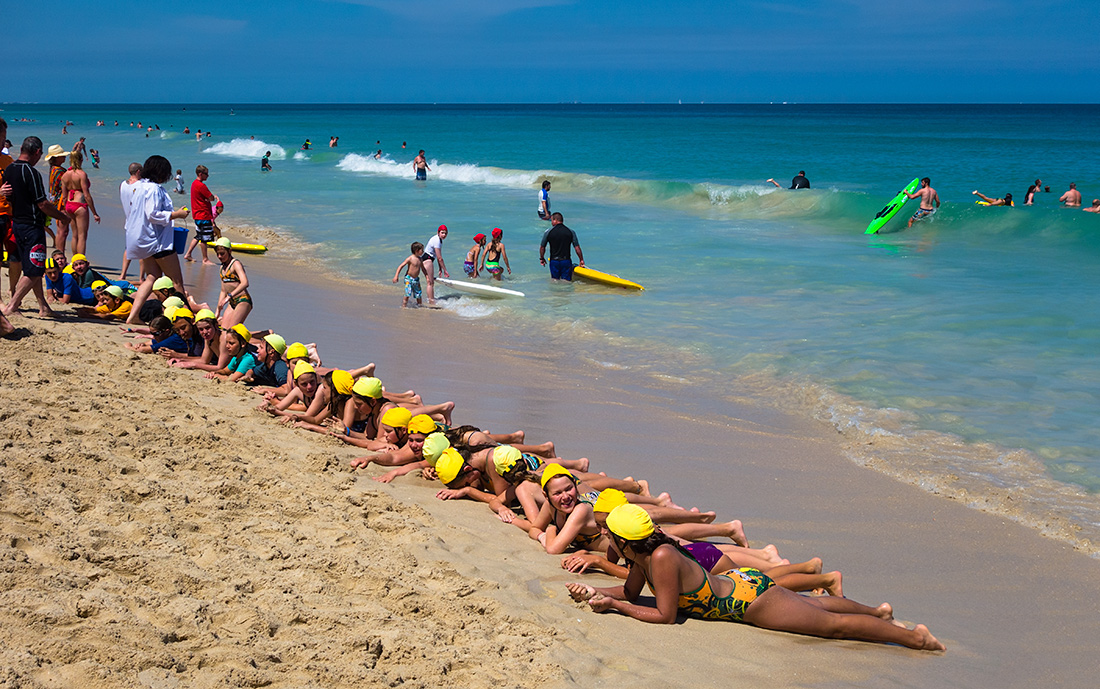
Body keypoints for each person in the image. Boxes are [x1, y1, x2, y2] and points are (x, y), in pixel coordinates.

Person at [566, 504, 945, 651]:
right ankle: (877, 613)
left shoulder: (661, 556)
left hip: (747, 601)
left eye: (608, 532)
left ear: (620, 538)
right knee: (814, 604)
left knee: (832, 627)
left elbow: (664, 614)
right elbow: (633, 593)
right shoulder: (642, 553)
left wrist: (614, 606)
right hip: (742, 584)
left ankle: (914, 638)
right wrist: (597, 592)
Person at [1, 136, 71, 323]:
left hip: (17, 223)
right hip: (31, 226)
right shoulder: (31, 173)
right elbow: (43, 204)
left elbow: (8, 197)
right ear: (38, 152)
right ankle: (12, 306)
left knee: (33, 266)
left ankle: (43, 307)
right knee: (34, 271)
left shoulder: (9, 169)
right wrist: (63, 217)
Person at [123, 155, 191, 325]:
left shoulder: (138, 186)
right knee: (176, 283)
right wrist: (177, 214)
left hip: (143, 239)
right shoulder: (154, 189)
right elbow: (153, 214)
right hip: (158, 241)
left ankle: (133, 316)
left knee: (152, 277)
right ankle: (186, 320)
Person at [59, 150, 100, 257]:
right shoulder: (82, 174)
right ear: (81, 160)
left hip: (69, 204)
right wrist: (94, 213)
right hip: (79, 205)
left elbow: (63, 196)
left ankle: (74, 259)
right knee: (82, 236)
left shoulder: (65, 175)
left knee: (74, 235)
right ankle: (80, 259)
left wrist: (66, 209)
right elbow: (86, 195)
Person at [214, 237, 252, 328]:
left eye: (222, 254)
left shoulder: (235, 264)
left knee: (232, 330)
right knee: (224, 332)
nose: (219, 256)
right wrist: (217, 311)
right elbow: (223, 290)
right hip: (232, 302)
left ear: (230, 251)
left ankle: (262, 336)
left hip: (243, 300)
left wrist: (229, 296)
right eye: (217, 254)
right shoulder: (222, 268)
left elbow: (245, 283)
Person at [184, 165, 218, 265]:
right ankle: (205, 259)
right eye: (206, 174)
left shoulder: (194, 184)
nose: (208, 176)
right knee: (204, 238)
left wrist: (207, 199)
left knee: (199, 235)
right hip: (203, 214)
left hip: (197, 214)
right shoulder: (201, 185)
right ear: (200, 174)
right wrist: (210, 198)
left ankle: (188, 254)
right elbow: (211, 197)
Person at [539, 212, 584, 280]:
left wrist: (542, 258)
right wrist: (581, 260)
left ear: (555, 220)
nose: (551, 223)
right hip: (566, 261)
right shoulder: (571, 232)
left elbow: (542, 247)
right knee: (566, 281)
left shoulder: (548, 232)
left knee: (555, 280)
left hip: (554, 261)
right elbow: (577, 248)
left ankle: (555, 290)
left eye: (552, 220)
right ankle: (566, 290)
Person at [44, 144, 69, 252]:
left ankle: (59, 253)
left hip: (54, 201)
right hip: (60, 202)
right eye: (62, 155)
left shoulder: (53, 169)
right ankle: (60, 253)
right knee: (63, 231)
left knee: (60, 230)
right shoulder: (60, 171)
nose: (64, 157)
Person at [421, 225, 448, 305]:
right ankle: (431, 301)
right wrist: (445, 270)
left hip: (426, 259)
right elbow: (440, 258)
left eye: (445, 233)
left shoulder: (438, 240)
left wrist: (440, 268)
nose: (444, 235)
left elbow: (437, 256)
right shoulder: (437, 241)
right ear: (438, 232)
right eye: (442, 233)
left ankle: (430, 300)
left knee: (429, 281)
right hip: (427, 260)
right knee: (430, 283)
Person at [392, 241, 424, 308]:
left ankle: (420, 306)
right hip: (408, 278)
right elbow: (401, 266)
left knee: (418, 294)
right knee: (407, 293)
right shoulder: (410, 258)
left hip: (416, 279)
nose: (423, 251)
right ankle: (404, 306)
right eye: (422, 250)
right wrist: (396, 276)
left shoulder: (420, 259)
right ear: (416, 250)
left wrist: (427, 276)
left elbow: (423, 268)